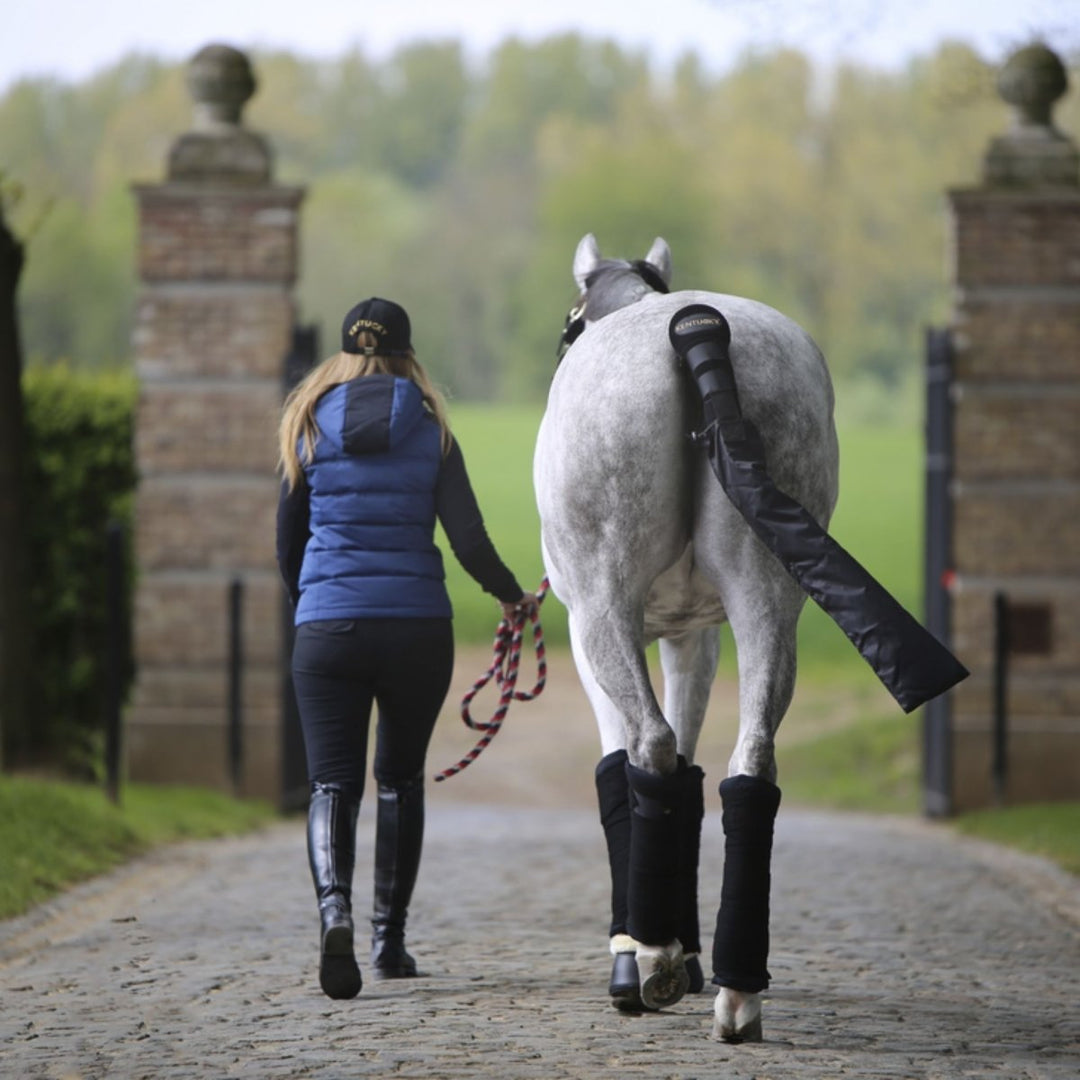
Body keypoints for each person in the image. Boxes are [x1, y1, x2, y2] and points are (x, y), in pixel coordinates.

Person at [276, 297, 536, 1000]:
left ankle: (336, 913)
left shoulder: (306, 423)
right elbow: (469, 539)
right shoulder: (430, 431)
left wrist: (316, 606)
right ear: (407, 354)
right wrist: (513, 597)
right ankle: (389, 942)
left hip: (329, 627)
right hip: (417, 626)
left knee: (332, 783)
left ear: (345, 353)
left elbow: (286, 541)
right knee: (398, 778)